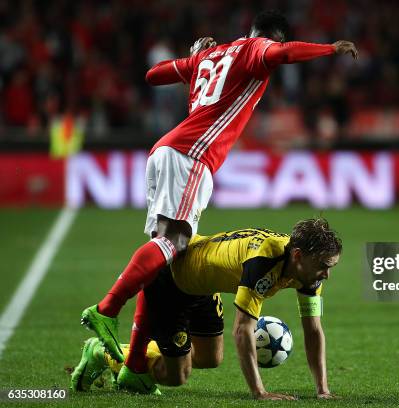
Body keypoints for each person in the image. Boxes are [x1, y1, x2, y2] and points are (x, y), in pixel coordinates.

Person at [79, 9, 357, 368]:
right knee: (172, 243)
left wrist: (195, 60)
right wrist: (329, 48)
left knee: (165, 256)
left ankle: (133, 366)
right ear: (271, 37)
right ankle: (108, 308)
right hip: (192, 155)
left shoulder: (213, 53)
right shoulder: (256, 50)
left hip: (168, 150)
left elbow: (152, 75)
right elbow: (281, 54)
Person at [72, 218, 342, 400]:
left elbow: (313, 330)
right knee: (177, 375)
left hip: (203, 286)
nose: (326, 275)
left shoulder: (308, 272)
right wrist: (260, 392)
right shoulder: (263, 263)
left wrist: (322, 390)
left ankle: (144, 351)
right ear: (297, 256)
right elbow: (241, 331)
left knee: (210, 359)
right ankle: (101, 352)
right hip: (172, 283)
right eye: (324, 266)